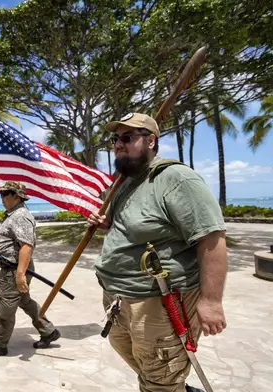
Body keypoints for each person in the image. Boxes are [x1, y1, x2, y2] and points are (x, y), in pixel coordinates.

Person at [88, 112, 228, 392]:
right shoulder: (124, 181)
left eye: (127, 138)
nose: (118, 144)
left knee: (159, 378)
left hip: (160, 300)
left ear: (151, 141)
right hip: (118, 298)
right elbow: (134, 226)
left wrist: (211, 301)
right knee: (149, 367)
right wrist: (107, 223)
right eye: (115, 138)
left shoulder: (176, 179)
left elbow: (212, 238)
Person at [0, 181, 60, 359]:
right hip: (14, 268)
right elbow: (10, 237)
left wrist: (20, 274)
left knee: (7, 305)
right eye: (2, 194)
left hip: (14, 270)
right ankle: (48, 331)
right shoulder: (13, 215)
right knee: (25, 301)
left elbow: (26, 246)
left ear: (16, 196)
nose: (2, 197)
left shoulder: (20, 215)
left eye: (5, 194)